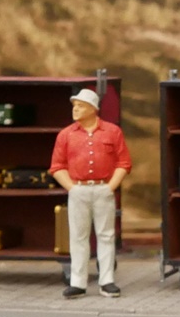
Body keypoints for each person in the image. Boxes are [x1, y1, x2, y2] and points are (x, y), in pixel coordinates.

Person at [48, 87, 132, 298]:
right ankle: (78, 282)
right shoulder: (66, 135)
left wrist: (110, 187)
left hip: (103, 188)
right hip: (79, 190)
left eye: (81, 106)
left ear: (93, 108)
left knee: (106, 235)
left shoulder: (112, 132)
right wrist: (72, 188)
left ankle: (107, 280)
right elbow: (57, 166)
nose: (75, 109)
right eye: (74, 106)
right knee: (78, 236)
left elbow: (123, 163)